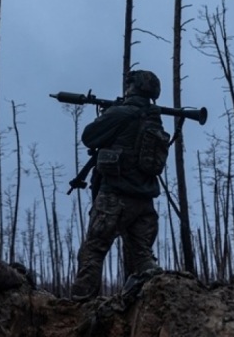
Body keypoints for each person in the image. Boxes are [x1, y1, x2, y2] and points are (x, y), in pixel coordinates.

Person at [69, 70, 168, 301]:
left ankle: (78, 310)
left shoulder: (121, 113)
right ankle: (157, 302)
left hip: (115, 197)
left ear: (133, 87)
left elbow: (89, 137)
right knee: (143, 257)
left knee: (93, 250)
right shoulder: (154, 118)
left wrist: (108, 114)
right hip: (144, 201)